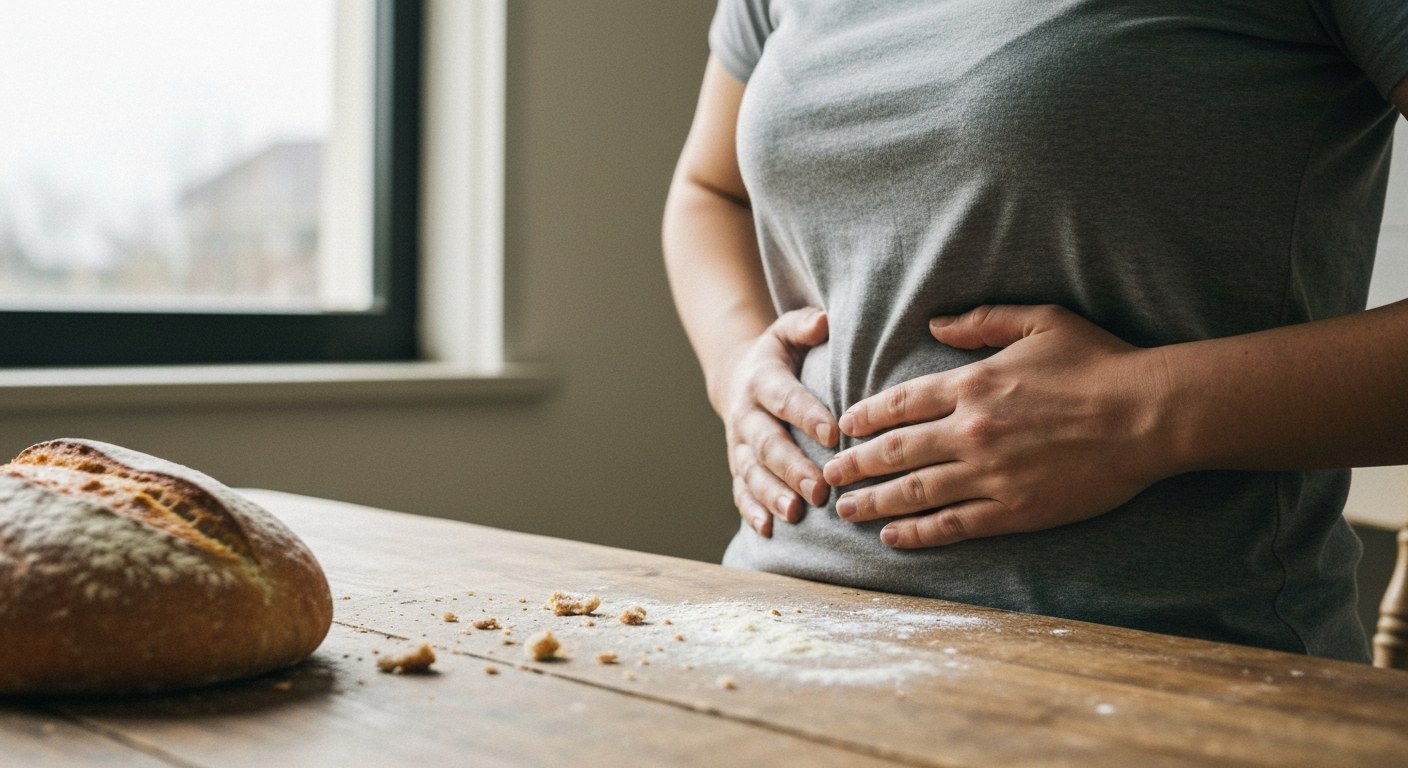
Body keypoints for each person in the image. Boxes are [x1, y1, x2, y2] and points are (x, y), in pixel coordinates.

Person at [662, 0, 1408, 663]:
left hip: (1164, 664)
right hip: (769, 634)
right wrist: (734, 366)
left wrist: (1141, 412)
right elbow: (709, 189)